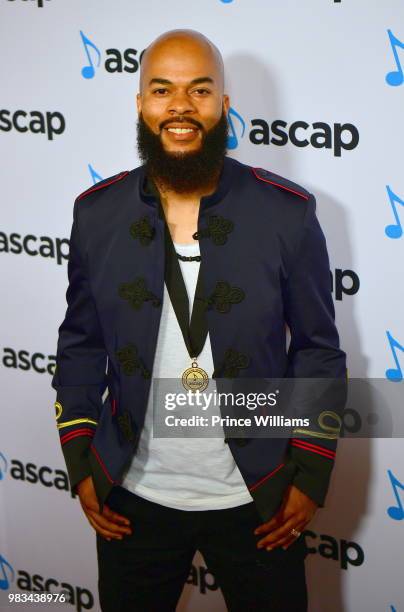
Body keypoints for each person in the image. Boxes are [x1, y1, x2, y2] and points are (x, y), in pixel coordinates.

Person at [52, 29, 347, 612]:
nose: (181, 106)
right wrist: (81, 460)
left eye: (200, 90)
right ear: (141, 104)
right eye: (162, 90)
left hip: (258, 497)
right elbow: (80, 345)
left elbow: (317, 349)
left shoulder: (286, 213)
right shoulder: (97, 214)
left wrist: (309, 472)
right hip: (130, 499)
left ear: (223, 105)